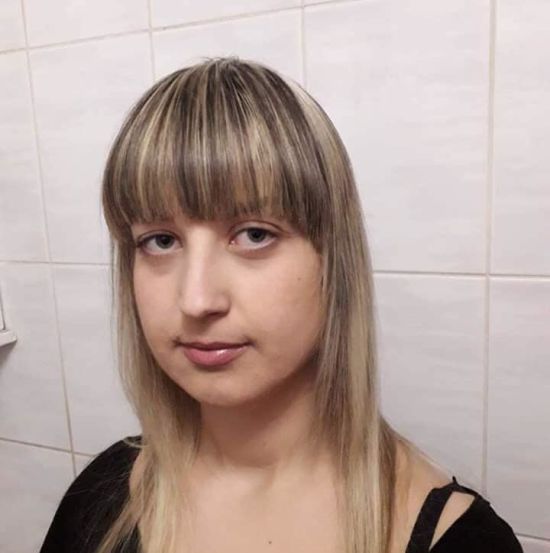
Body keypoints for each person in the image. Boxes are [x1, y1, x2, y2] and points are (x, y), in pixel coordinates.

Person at [39, 56, 523, 553]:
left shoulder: (464, 543)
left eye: (254, 234)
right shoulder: (100, 500)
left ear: (332, 260)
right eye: (160, 241)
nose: (196, 300)